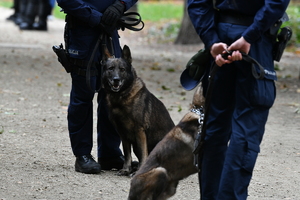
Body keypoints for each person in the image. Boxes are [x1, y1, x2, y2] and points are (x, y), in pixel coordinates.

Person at [187, 0, 290, 199]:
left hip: (222, 36)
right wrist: (249, 36)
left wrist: (212, 40)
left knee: (215, 128)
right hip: (256, 41)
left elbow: (197, 2)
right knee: (247, 126)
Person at [56, 0, 138, 174]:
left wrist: (121, 5)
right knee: (82, 95)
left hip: (110, 31)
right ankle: (82, 155)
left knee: (112, 96)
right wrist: (95, 17)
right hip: (82, 32)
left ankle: (110, 154)